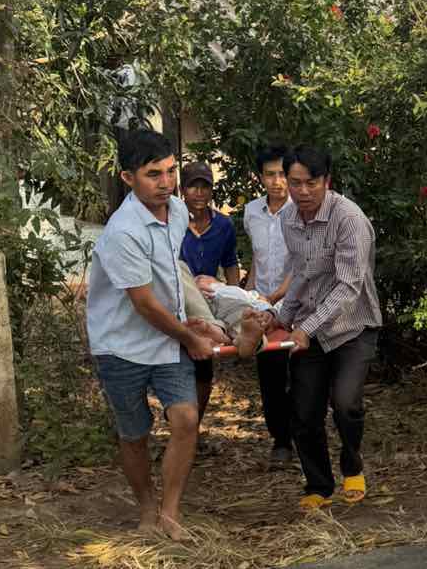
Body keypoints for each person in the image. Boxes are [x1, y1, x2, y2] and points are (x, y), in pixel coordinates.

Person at [87, 130, 225, 541]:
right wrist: (190, 337)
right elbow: (144, 304)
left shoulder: (178, 211)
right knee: (135, 434)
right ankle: (147, 509)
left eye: (170, 171)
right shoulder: (122, 232)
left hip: (167, 339)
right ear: (128, 178)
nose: (166, 183)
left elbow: (171, 273)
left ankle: (170, 513)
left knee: (186, 419)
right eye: (153, 175)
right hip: (120, 345)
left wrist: (195, 318)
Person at [254, 146, 381, 510]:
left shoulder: (349, 219)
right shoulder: (289, 219)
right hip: (310, 328)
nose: (303, 191)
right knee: (304, 410)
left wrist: (305, 328)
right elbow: (301, 275)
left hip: (353, 326)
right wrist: (281, 316)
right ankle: (319, 486)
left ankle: (352, 464)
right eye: (295, 183)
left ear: (327, 181)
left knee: (345, 403)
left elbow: (348, 286)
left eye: (311, 183)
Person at [178, 161, 240, 449]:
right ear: (183, 190)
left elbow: (230, 263)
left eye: (205, 187)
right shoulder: (173, 223)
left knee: (203, 367)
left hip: (212, 298)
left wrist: (234, 294)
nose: (199, 193)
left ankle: (193, 429)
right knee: (181, 364)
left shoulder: (223, 225)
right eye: (193, 187)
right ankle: (182, 428)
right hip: (181, 302)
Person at [242, 144, 294, 467]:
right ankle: (281, 441)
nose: (277, 182)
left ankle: (304, 432)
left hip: (296, 304)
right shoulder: (251, 213)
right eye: (270, 174)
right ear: (260, 177)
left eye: (283, 174)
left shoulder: (301, 211)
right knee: (270, 375)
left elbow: (301, 265)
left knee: (300, 373)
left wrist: (274, 298)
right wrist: (247, 297)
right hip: (261, 306)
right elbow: (257, 260)